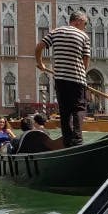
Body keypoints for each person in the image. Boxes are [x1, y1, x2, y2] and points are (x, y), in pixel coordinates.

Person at [35, 10, 91, 147]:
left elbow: (39, 46)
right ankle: (77, 142)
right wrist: (82, 74)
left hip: (60, 79)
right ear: (78, 21)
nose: (85, 26)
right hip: (77, 79)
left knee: (65, 111)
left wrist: (40, 63)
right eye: (85, 23)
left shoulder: (56, 32)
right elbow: (86, 59)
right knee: (78, 109)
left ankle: (67, 142)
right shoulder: (83, 35)